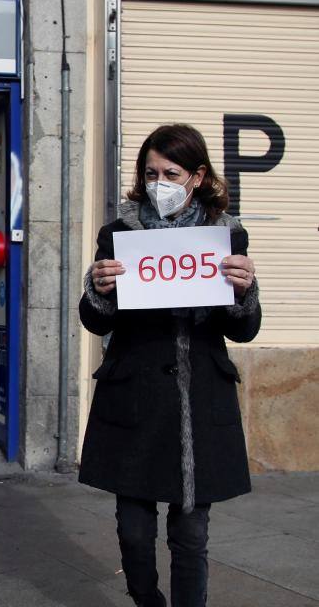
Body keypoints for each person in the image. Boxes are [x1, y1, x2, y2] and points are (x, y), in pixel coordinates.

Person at [78, 124, 261, 607]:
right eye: (151, 171)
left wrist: (243, 293)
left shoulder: (228, 234)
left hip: (199, 403)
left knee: (191, 535)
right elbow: (96, 322)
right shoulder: (118, 233)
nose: (159, 180)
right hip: (134, 399)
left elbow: (243, 329)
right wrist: (98, 289)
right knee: (134, 533)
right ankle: (146, 599)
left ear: (197, 176)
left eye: (171, 172)